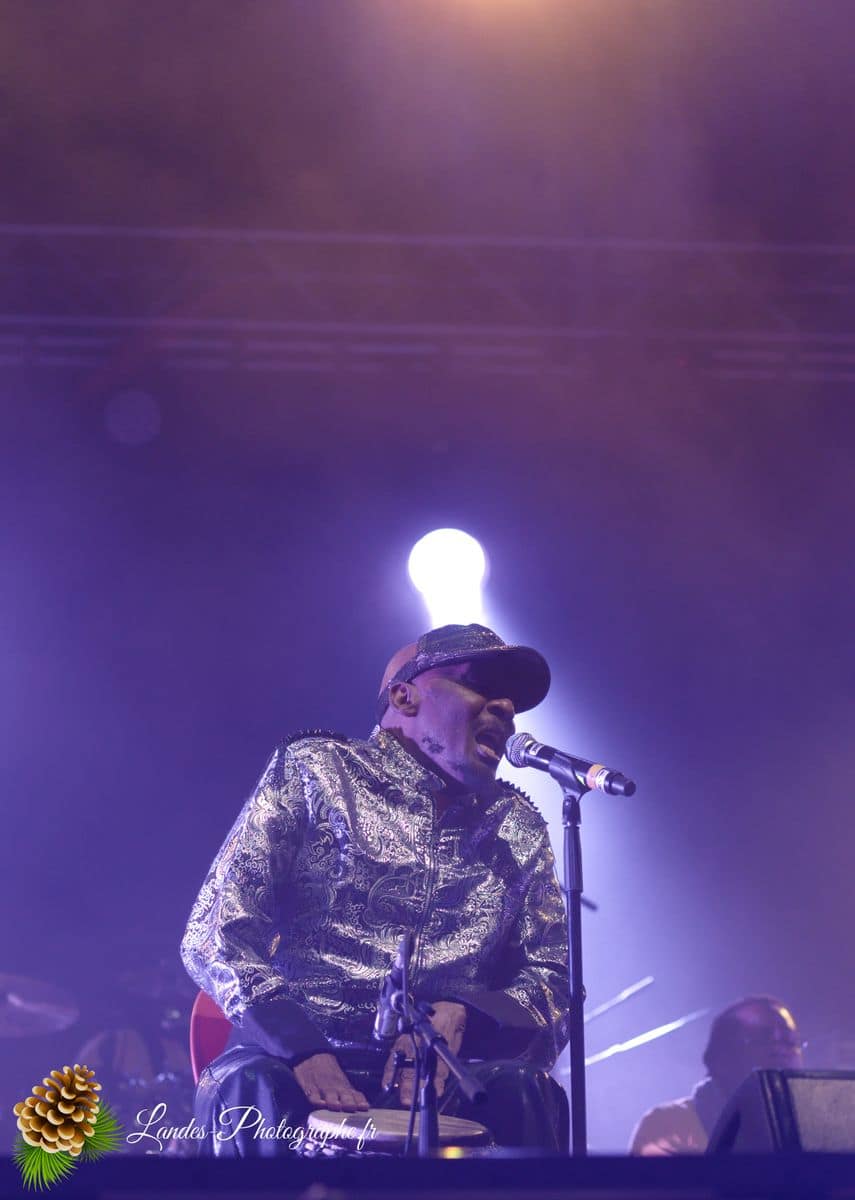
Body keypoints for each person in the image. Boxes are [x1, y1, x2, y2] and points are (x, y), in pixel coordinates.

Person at [181, 624, 570, 1156]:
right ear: (404, 697)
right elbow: (216, 932)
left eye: (511, 699)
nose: (504, 707)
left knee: (526, 1092)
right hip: (293, 1060)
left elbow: (553, 982)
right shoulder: (317, 771)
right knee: (254, 1088)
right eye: (479, 684)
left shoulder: (517, 827)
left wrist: (467, 1015)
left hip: (445, 1076)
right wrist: (301, 1048)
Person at [629, 996, 804, 1155]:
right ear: (720, 1059)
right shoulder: (669, 1123)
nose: (780, 1050)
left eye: (790, 1041)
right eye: (762, 1040)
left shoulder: (809, 1120)